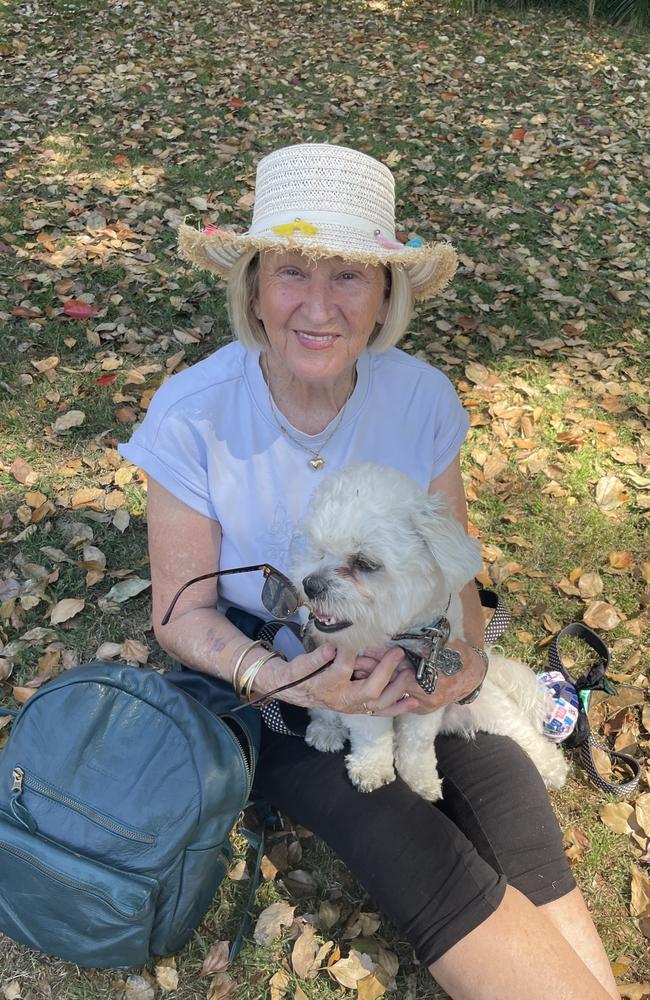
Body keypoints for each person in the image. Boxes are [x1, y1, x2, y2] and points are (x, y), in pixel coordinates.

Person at [119, 143, 620, 1000]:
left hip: (410, 639)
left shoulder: (421, 397)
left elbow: (455, 576)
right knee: (395, 827)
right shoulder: (193, 413)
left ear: (386, 293)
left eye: (349, 276)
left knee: (503, 787)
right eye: (291, 272)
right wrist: (293, 682)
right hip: (266, 664)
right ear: (252, 287)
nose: (317, 305)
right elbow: (180, 614)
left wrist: (456, 673)